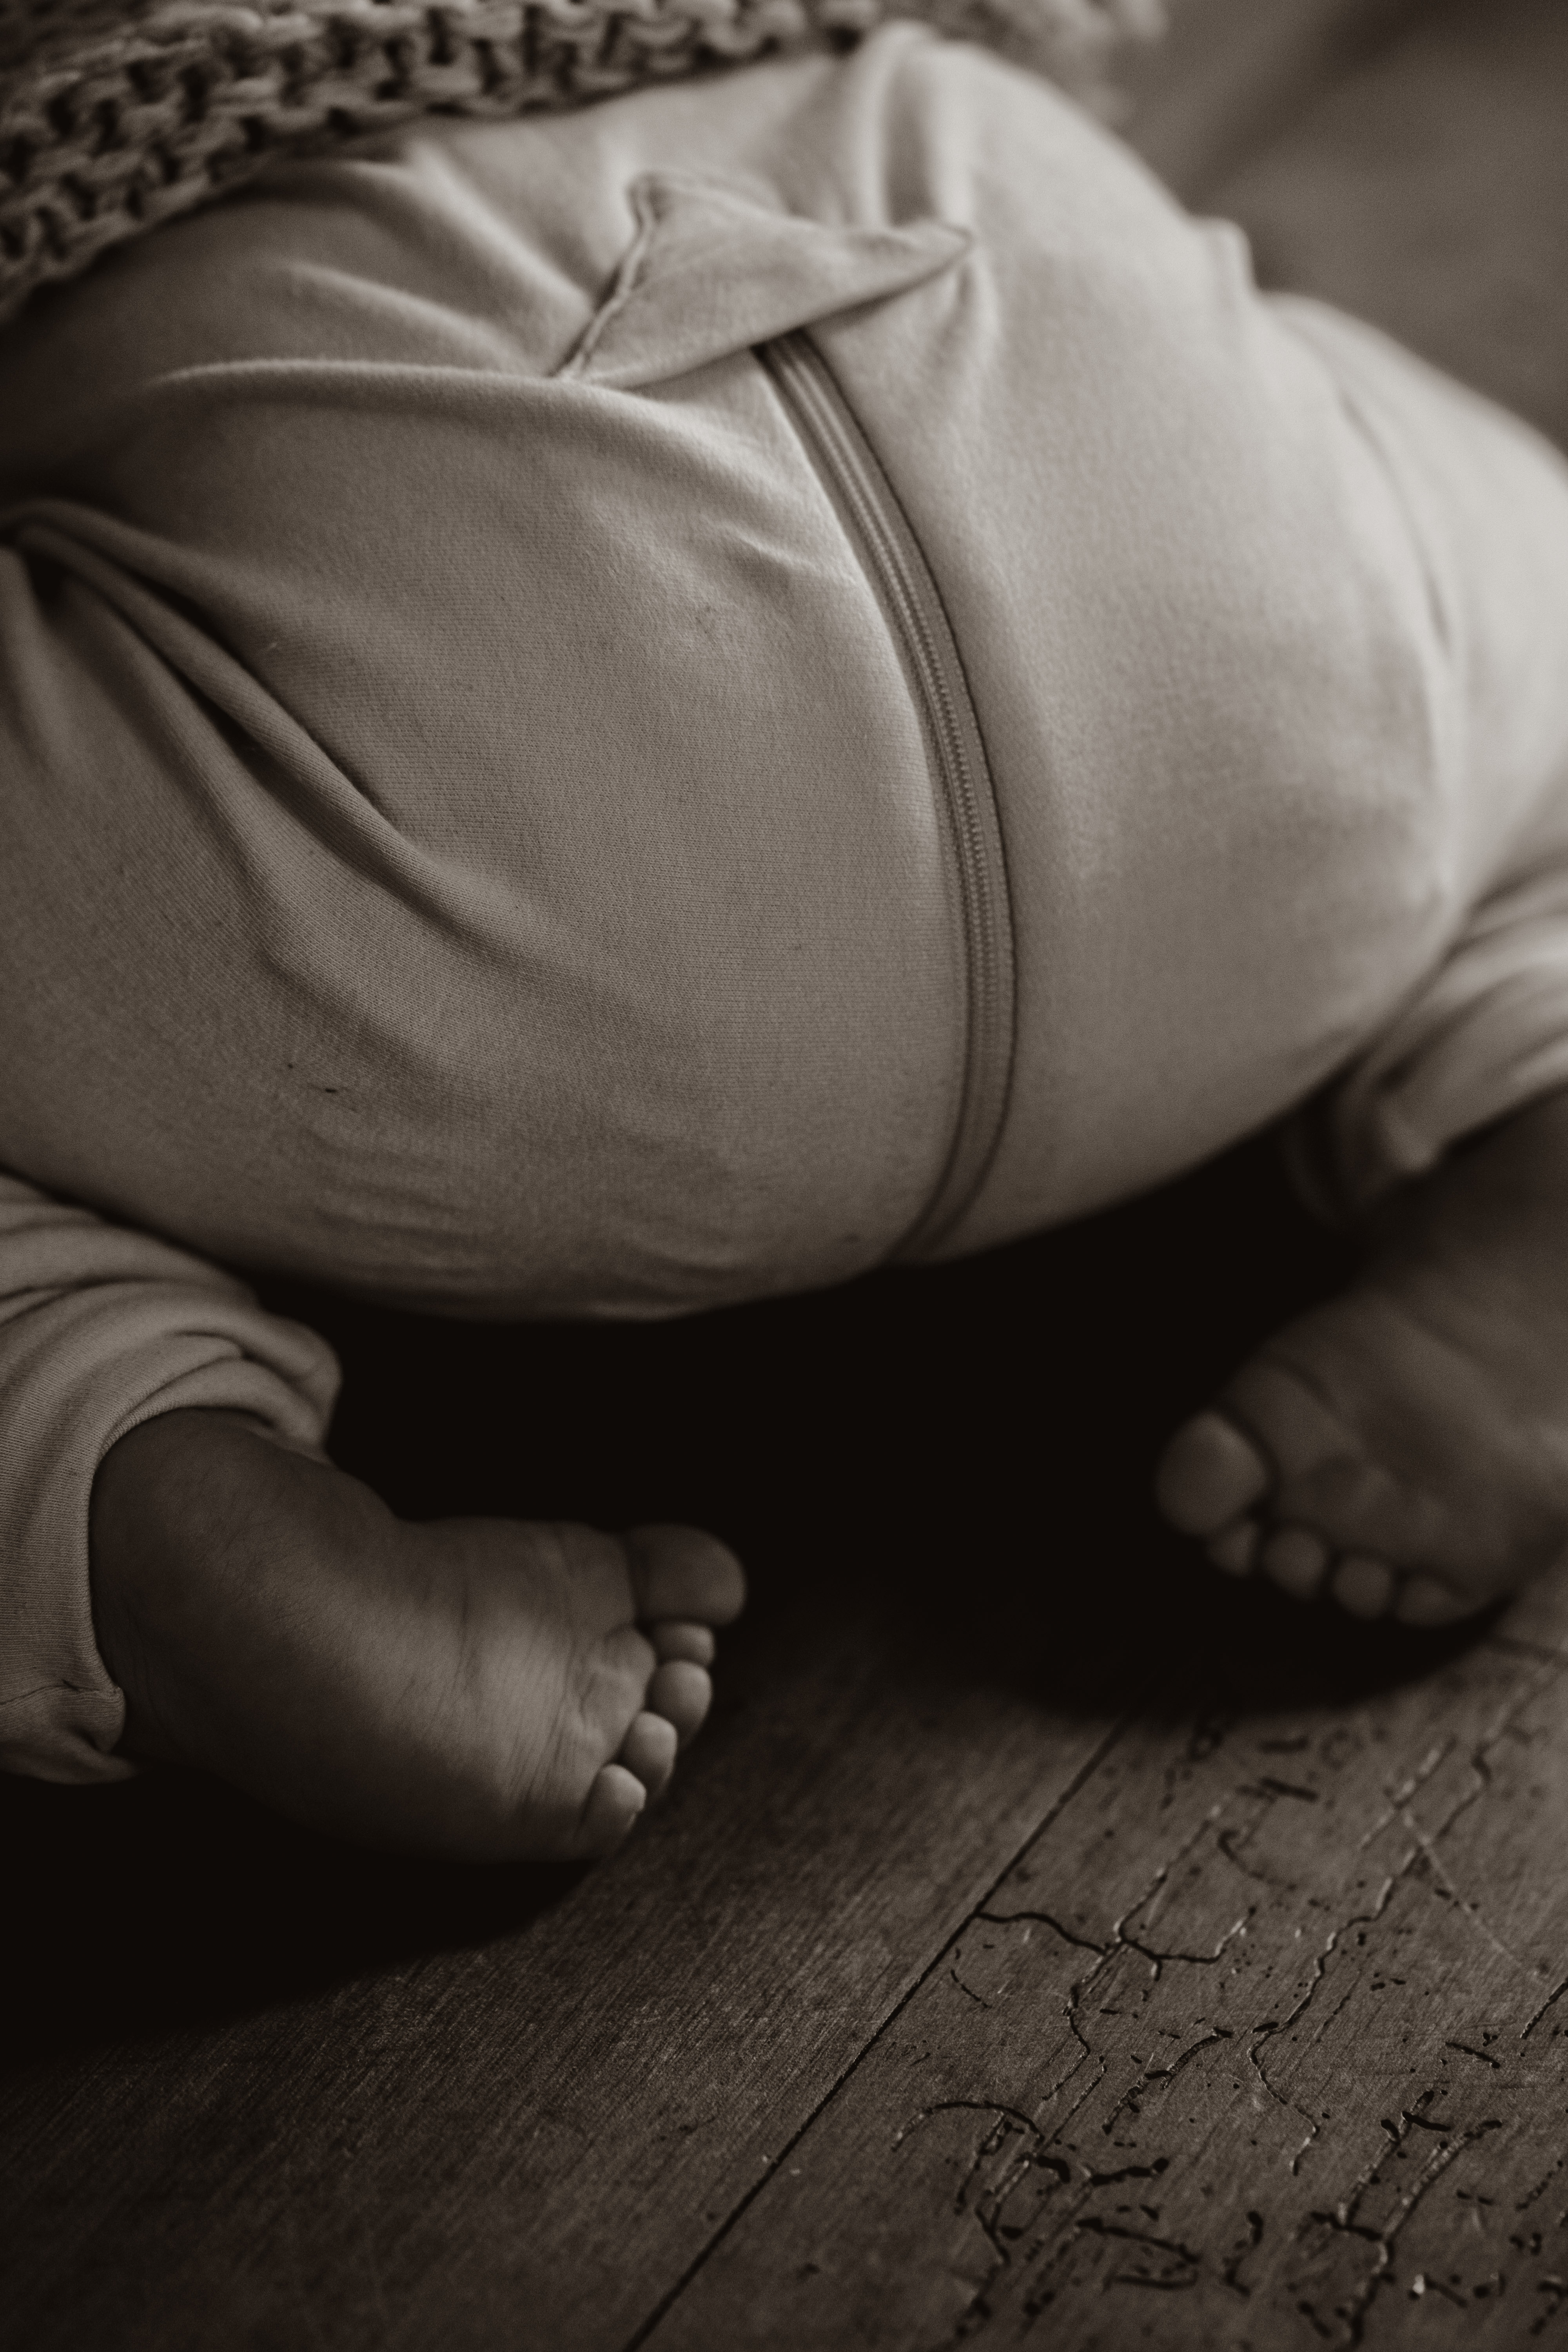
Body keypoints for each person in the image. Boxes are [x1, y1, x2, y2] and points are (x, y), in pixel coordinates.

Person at [6, 21, 1568, 1860]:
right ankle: (1531, 1081)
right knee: (1487, 559)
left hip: (442, 974)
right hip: (1264, 714)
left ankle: (119, 1492)